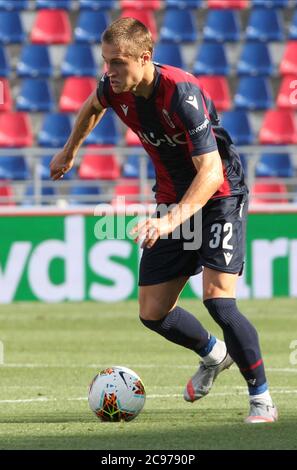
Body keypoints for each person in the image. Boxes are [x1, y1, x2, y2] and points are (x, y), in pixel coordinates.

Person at [50, 17, 277, 424]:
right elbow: (91, 106)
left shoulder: (181, 94)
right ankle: (213, 354)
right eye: (106, 62)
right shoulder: (114, 89)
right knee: (153, 312)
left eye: (118, 62)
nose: (110, 71)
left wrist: (169, 221)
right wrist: (70, 150)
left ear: (145, 57)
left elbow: (210, 173)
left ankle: (261, 399)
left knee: (219, 300)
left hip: (221, 196)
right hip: (174, 200)